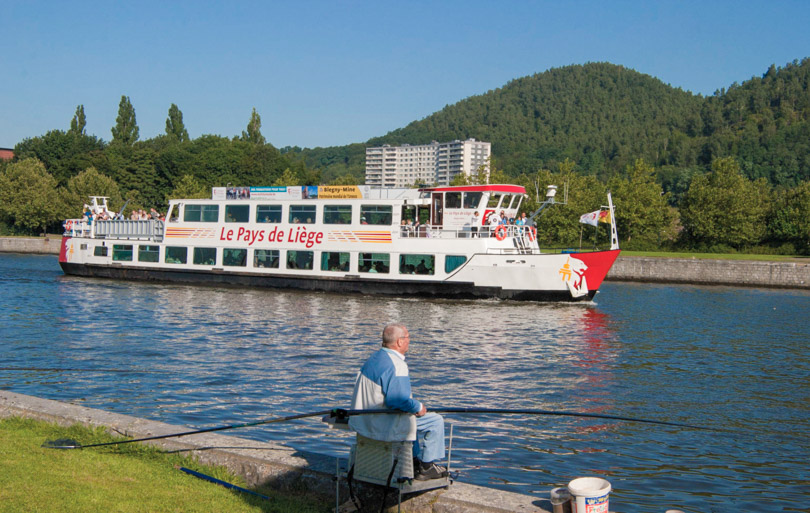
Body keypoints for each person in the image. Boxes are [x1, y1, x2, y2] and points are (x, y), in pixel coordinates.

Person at [349, 324, 448, 481]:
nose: (409, 341)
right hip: (382, 425)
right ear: (400, 342)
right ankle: (427, 468)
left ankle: (414, 461)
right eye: (408, 337)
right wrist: (418, 406)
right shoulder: (397, 365)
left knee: (410, 418)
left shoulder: (373, 359)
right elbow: (396, 400)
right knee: (435, 421)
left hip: (363, 422)